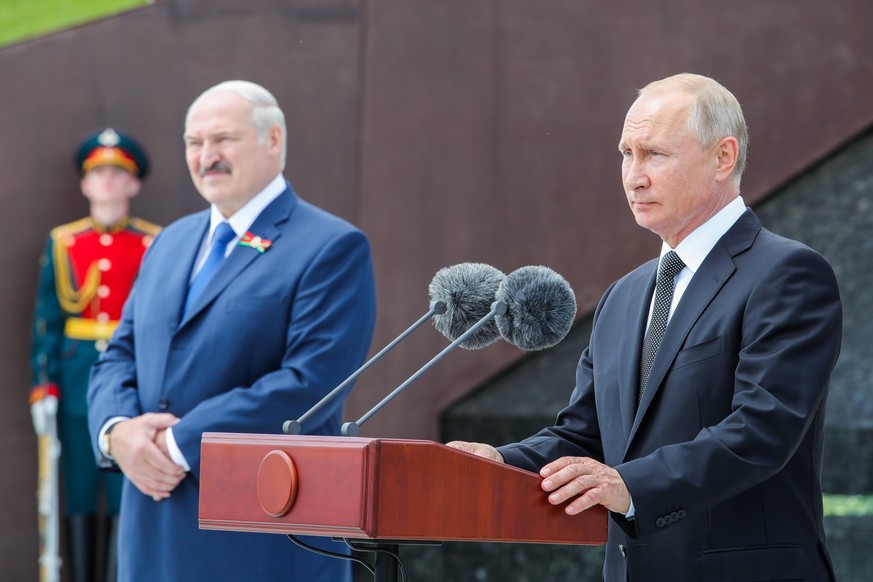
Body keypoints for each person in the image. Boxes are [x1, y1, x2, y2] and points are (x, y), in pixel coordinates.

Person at [449, 73, 842, 582]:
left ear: (724, 158)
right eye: (625, 153)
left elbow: (762, 429)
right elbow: (585, 437)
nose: (633, 176)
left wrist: (629, 485)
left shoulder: (787, 273)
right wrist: (497, 462)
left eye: (654, 154)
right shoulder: (624, 295)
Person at [86, 80, 377, 581]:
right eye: (193, 143)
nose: (206, 156)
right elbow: (119, 355)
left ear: (273, 140)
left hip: (260, 537)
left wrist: (176, 445)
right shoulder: (170, 242)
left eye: (223, 139)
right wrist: (117, 433)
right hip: (153, 528)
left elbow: (310, 383)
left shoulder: (331, 247)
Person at [30, 128, 159, 582]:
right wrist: (43, 384)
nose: (106, 181)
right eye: (98, 173)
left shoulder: (152, 243)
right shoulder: (64, 242)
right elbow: (47, 320)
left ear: (134, 183)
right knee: (80, 494)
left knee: (128, 494)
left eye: (116, 173)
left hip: (135, 383)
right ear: (84, 184)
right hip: (75, 379)